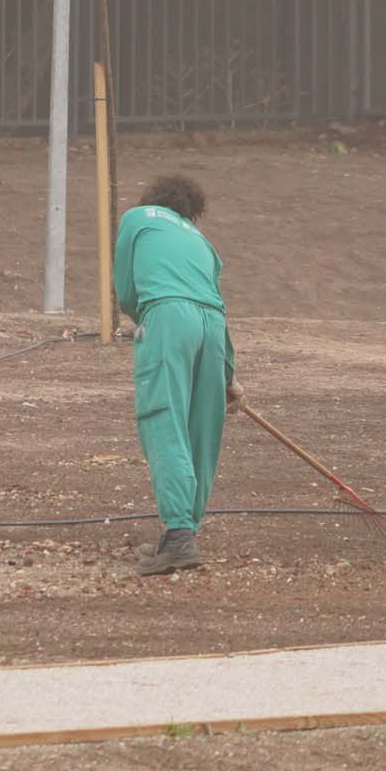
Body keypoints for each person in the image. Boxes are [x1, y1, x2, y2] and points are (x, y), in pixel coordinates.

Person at [112, 173, 243, 576]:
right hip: (212, 328)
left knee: (164, 420)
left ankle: (180, 534)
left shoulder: (137, 218)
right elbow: (215, 303)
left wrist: (142, 319)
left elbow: (126, 289)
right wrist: (228, 377)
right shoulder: (205, 244)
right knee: (202, 432)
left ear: (154, 198)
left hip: (168, 318)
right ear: (192, 212)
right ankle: (183, 534)